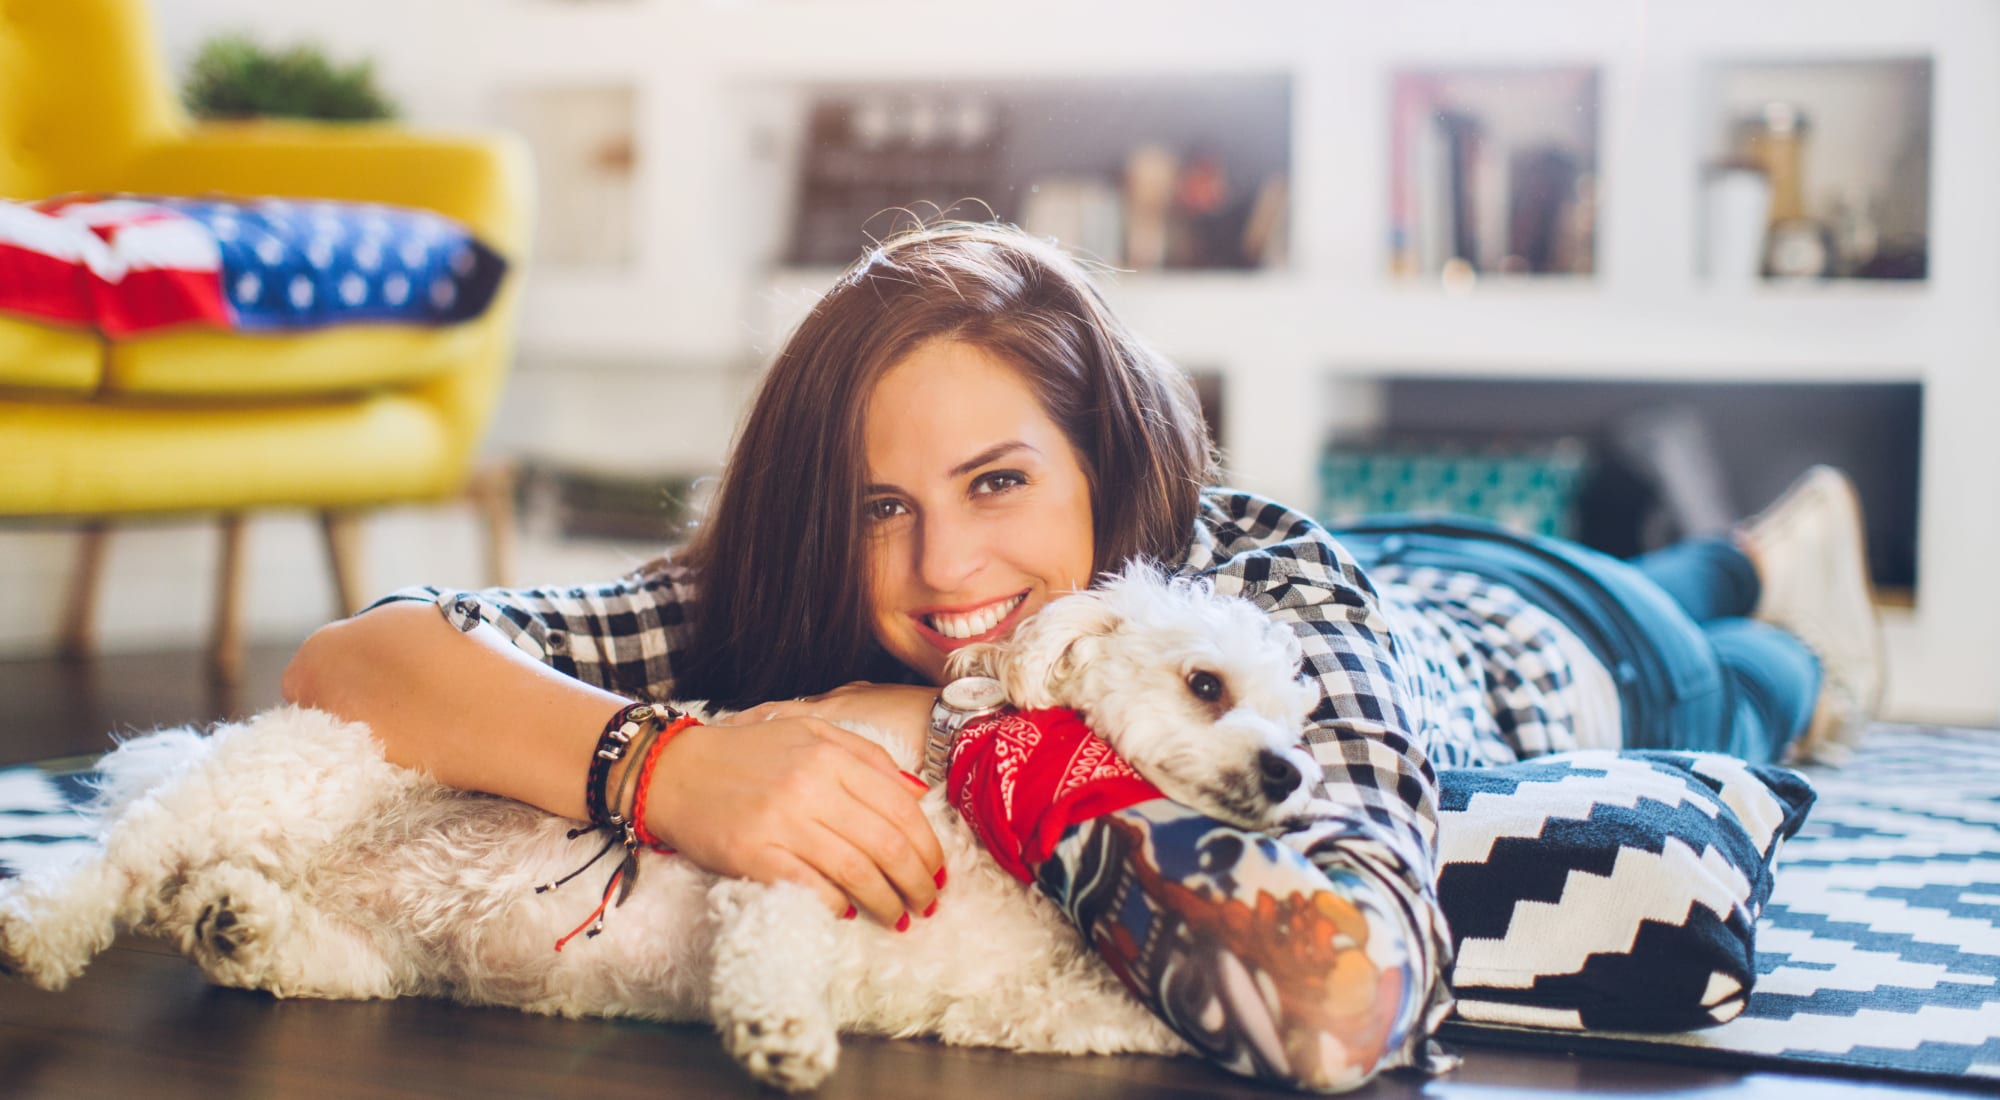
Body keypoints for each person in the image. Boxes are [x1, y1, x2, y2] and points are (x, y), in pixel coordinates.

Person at [283, 220, 1883, 1090]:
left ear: (1109, 475)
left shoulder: (1266, 588)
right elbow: (356, 661)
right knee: (1679, 574)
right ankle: (1742, 549)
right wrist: (669, 763)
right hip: (1418, 574)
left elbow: (1342, 1004)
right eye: (879, 507)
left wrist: (968, 735)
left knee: (1746, 662)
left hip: (1543, 641)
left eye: (999, 485)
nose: (941, 570)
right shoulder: (813, 581)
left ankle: (1779, 576)